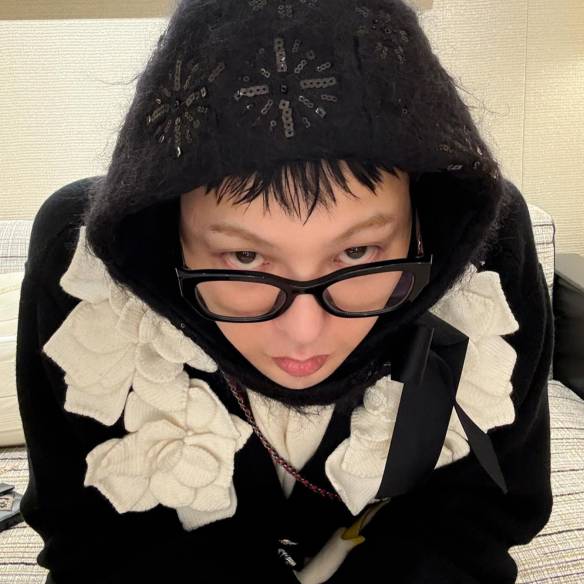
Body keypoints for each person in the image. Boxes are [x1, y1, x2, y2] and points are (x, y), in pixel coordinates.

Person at [15, 0, 554, 582]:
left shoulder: (485, 251)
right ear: (168, 236)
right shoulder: (84, 273)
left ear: (424, 228)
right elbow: (85, 535)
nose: (302, 333)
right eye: (244, 258)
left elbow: (484, 516)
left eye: (358, 253)